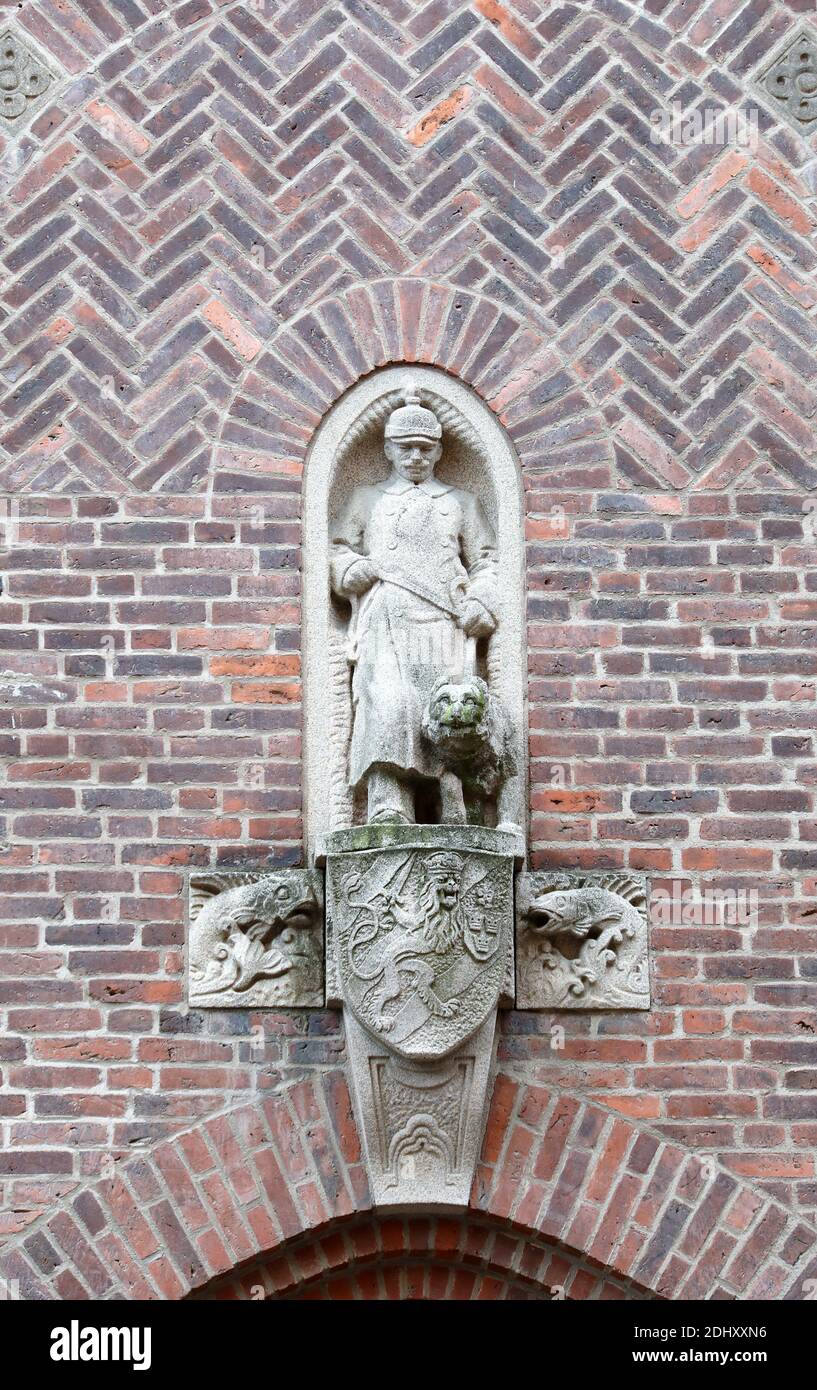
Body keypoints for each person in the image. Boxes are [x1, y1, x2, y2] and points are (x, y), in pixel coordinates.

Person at [330, 388, 499, 824]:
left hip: (443, 619)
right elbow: (339, 549)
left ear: (440, 450)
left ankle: (451, 803)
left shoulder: (461, 503)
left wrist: (482, 599)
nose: (416, 458)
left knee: (443, 707)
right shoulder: (367, 500)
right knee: (388, 703)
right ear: (388, 449)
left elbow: (486, 559)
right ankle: (388, 802)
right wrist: (350, 570)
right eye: (406, 449)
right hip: (386, 615)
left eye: (425, 449)